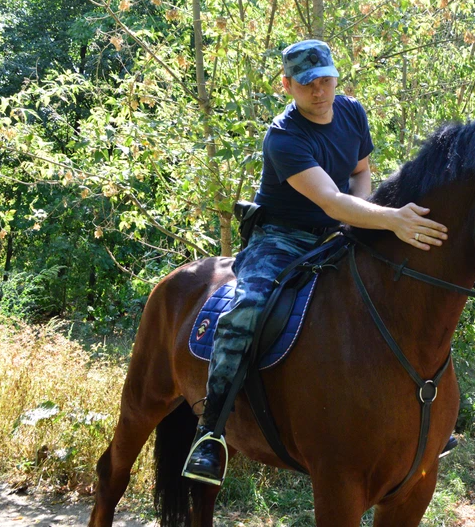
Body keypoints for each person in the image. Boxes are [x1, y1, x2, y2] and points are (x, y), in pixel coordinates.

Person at [182, 39, 450, 486]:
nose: (319, 91)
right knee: (245, 312)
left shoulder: (351, 113)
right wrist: (389, 219)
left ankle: (424, 422)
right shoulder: (283, 138)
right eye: (307, 83)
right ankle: (210, 433)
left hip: (339, 232)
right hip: (282, 238)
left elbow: (360, 171)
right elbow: (329, 199)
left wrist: (367, 217)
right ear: (287, 85)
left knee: (407, 292)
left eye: (325, 79)